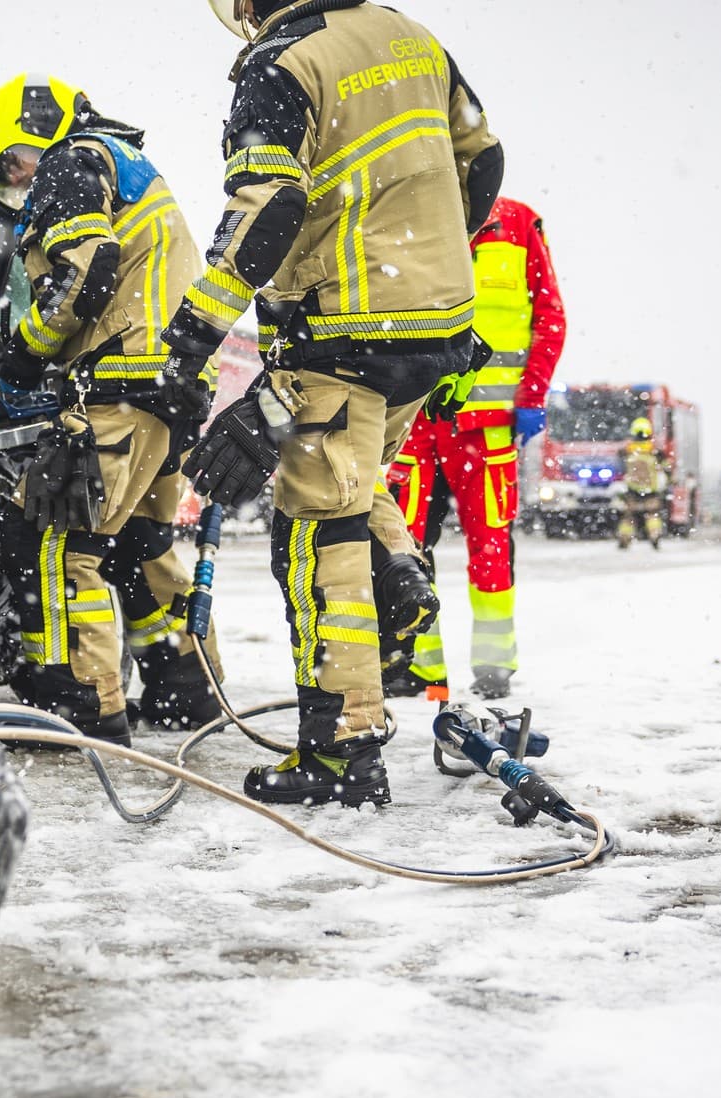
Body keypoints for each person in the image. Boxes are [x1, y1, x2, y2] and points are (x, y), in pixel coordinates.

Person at [154, 0, 503, 807]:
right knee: (355, 482)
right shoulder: (414, 40)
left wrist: (191, 341)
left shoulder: (282, 65)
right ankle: (401, 574)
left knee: (316, 538)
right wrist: (435, 263)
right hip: (437, 326)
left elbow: (266, 208)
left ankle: (342, 750)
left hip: (346, 329)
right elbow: (483, 164)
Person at [0, 74, 226, 744]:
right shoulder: (123, 162)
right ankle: (183, 687)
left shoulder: (70, 161)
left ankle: (76, 703)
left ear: (30, 135)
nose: (16, 185)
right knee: (141, 542)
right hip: (168, 382)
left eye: (6, 167)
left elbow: (85, 271)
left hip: (123, 382)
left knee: (50, 538)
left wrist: (25, 354)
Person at [385, 194, 565, 701]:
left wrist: (531, 395)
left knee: (490, 546)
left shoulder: (519, 223)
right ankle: (422, 672)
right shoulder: (410, 208)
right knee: (405, 547)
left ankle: (493, 668)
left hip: (487, 428)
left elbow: (550, 315)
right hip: (414, 419)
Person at [616, 415, 667, 550]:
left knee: (628, 517)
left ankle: (624, 537)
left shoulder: (627, 450)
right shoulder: (654, 451)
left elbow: (620, 467)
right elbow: (665, 467)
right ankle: (654, 535)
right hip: (651, 491)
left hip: (632, 490)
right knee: (652, 515)